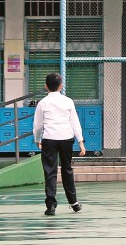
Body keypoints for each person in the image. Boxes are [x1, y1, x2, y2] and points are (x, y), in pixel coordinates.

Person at [34, 72, 86, 216]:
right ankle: (74, 203)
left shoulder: (42, 103)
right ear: (61, 86)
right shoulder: (68, 101)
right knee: (67, 169)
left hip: (49, 139)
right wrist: (81, 141)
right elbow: (74, 122)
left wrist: (38, 140)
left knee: (50, 172)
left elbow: (38, 125)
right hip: (66, 138)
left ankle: (51, 206)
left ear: (46, 87)